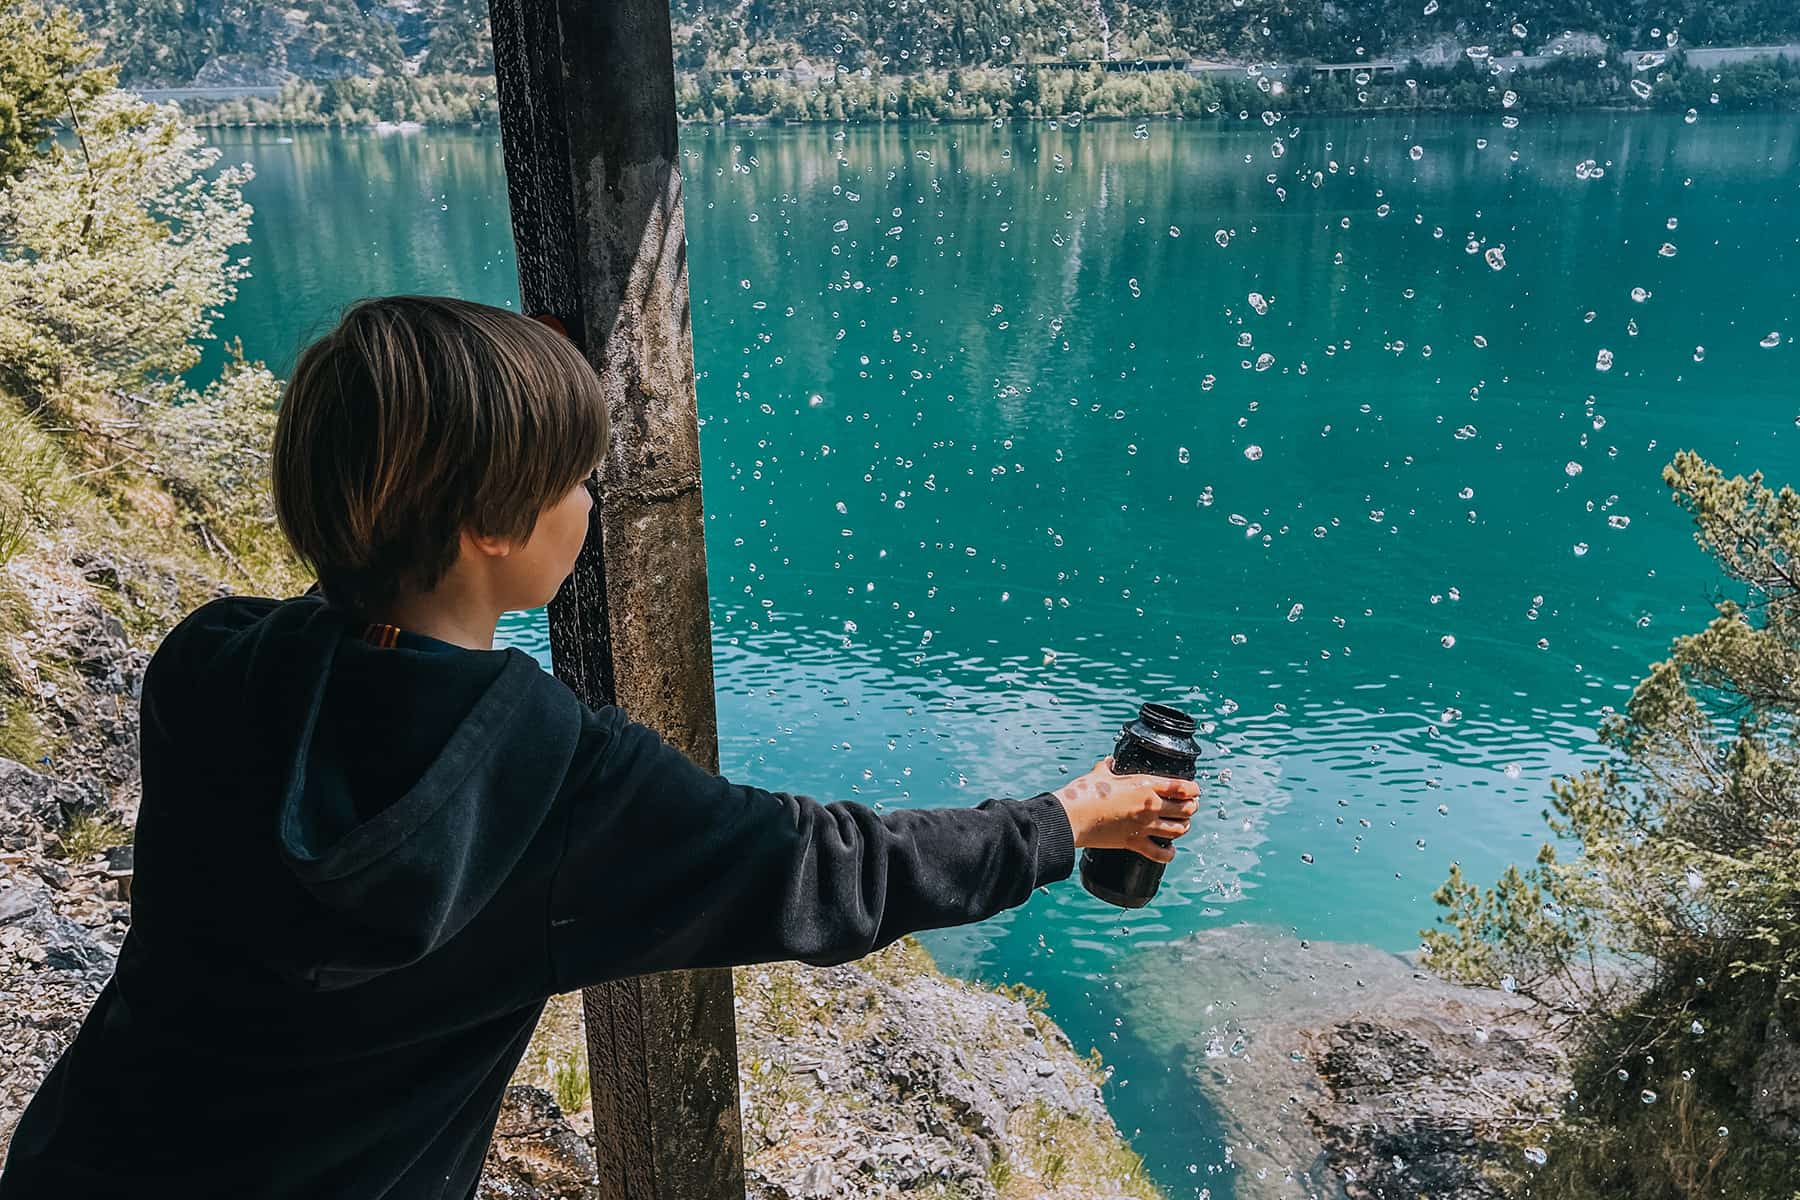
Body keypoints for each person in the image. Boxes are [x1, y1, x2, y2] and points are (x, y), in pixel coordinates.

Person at [0, 296, 1201, 1198]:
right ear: (488, 526)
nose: (592, 499)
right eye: (575, 476)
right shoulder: (555, 775)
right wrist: (1067, 821)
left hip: (84, 1160)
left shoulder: (206, 663)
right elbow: (832, 871)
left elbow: (343, 682)